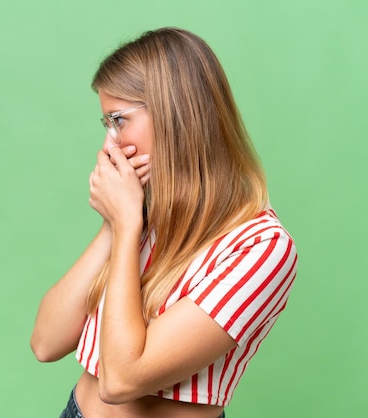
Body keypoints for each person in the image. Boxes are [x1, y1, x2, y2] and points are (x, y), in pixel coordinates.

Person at [31, 27, 298, 418]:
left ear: (176, 114)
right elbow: (45, 343)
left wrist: (124, 227)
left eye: (119, 120)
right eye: (105, 124)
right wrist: (115, 225)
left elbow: (122, 380)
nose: (110, 145)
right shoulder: (141, 212)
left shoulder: (261, 247)